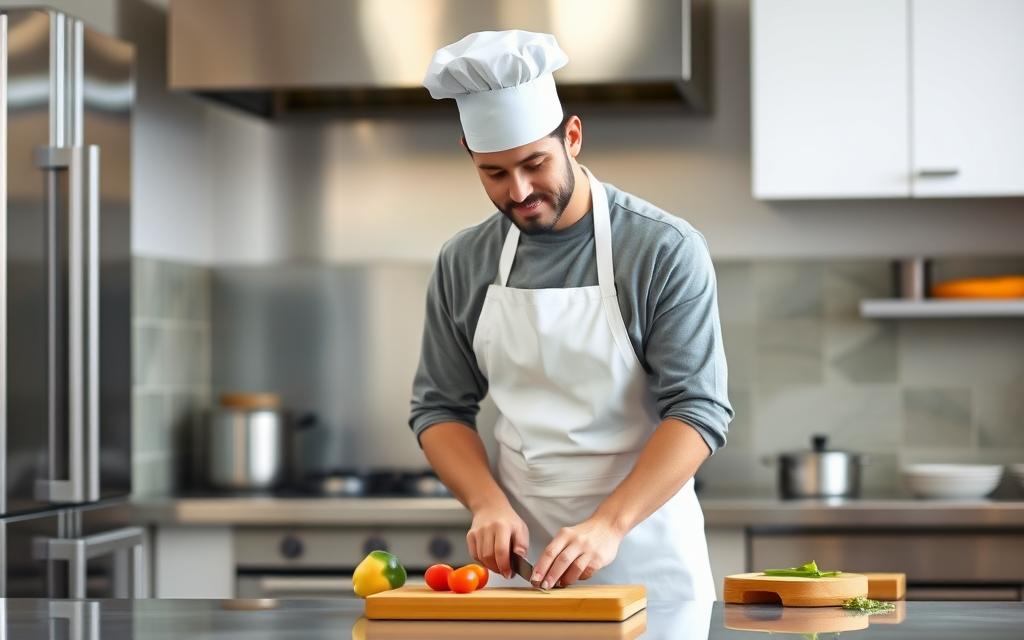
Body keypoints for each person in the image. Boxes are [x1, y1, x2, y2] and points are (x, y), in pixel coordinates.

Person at [410, 30, 732, 601]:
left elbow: (700, 409)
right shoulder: (465, 260)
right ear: (470, 156)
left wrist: (608, 524)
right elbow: (439, 407)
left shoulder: (663, 249)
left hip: (646, 552)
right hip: (525, 561)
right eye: (494, 173)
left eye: (535, 163)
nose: (520, 191)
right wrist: (485, 502)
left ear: (573, 137)